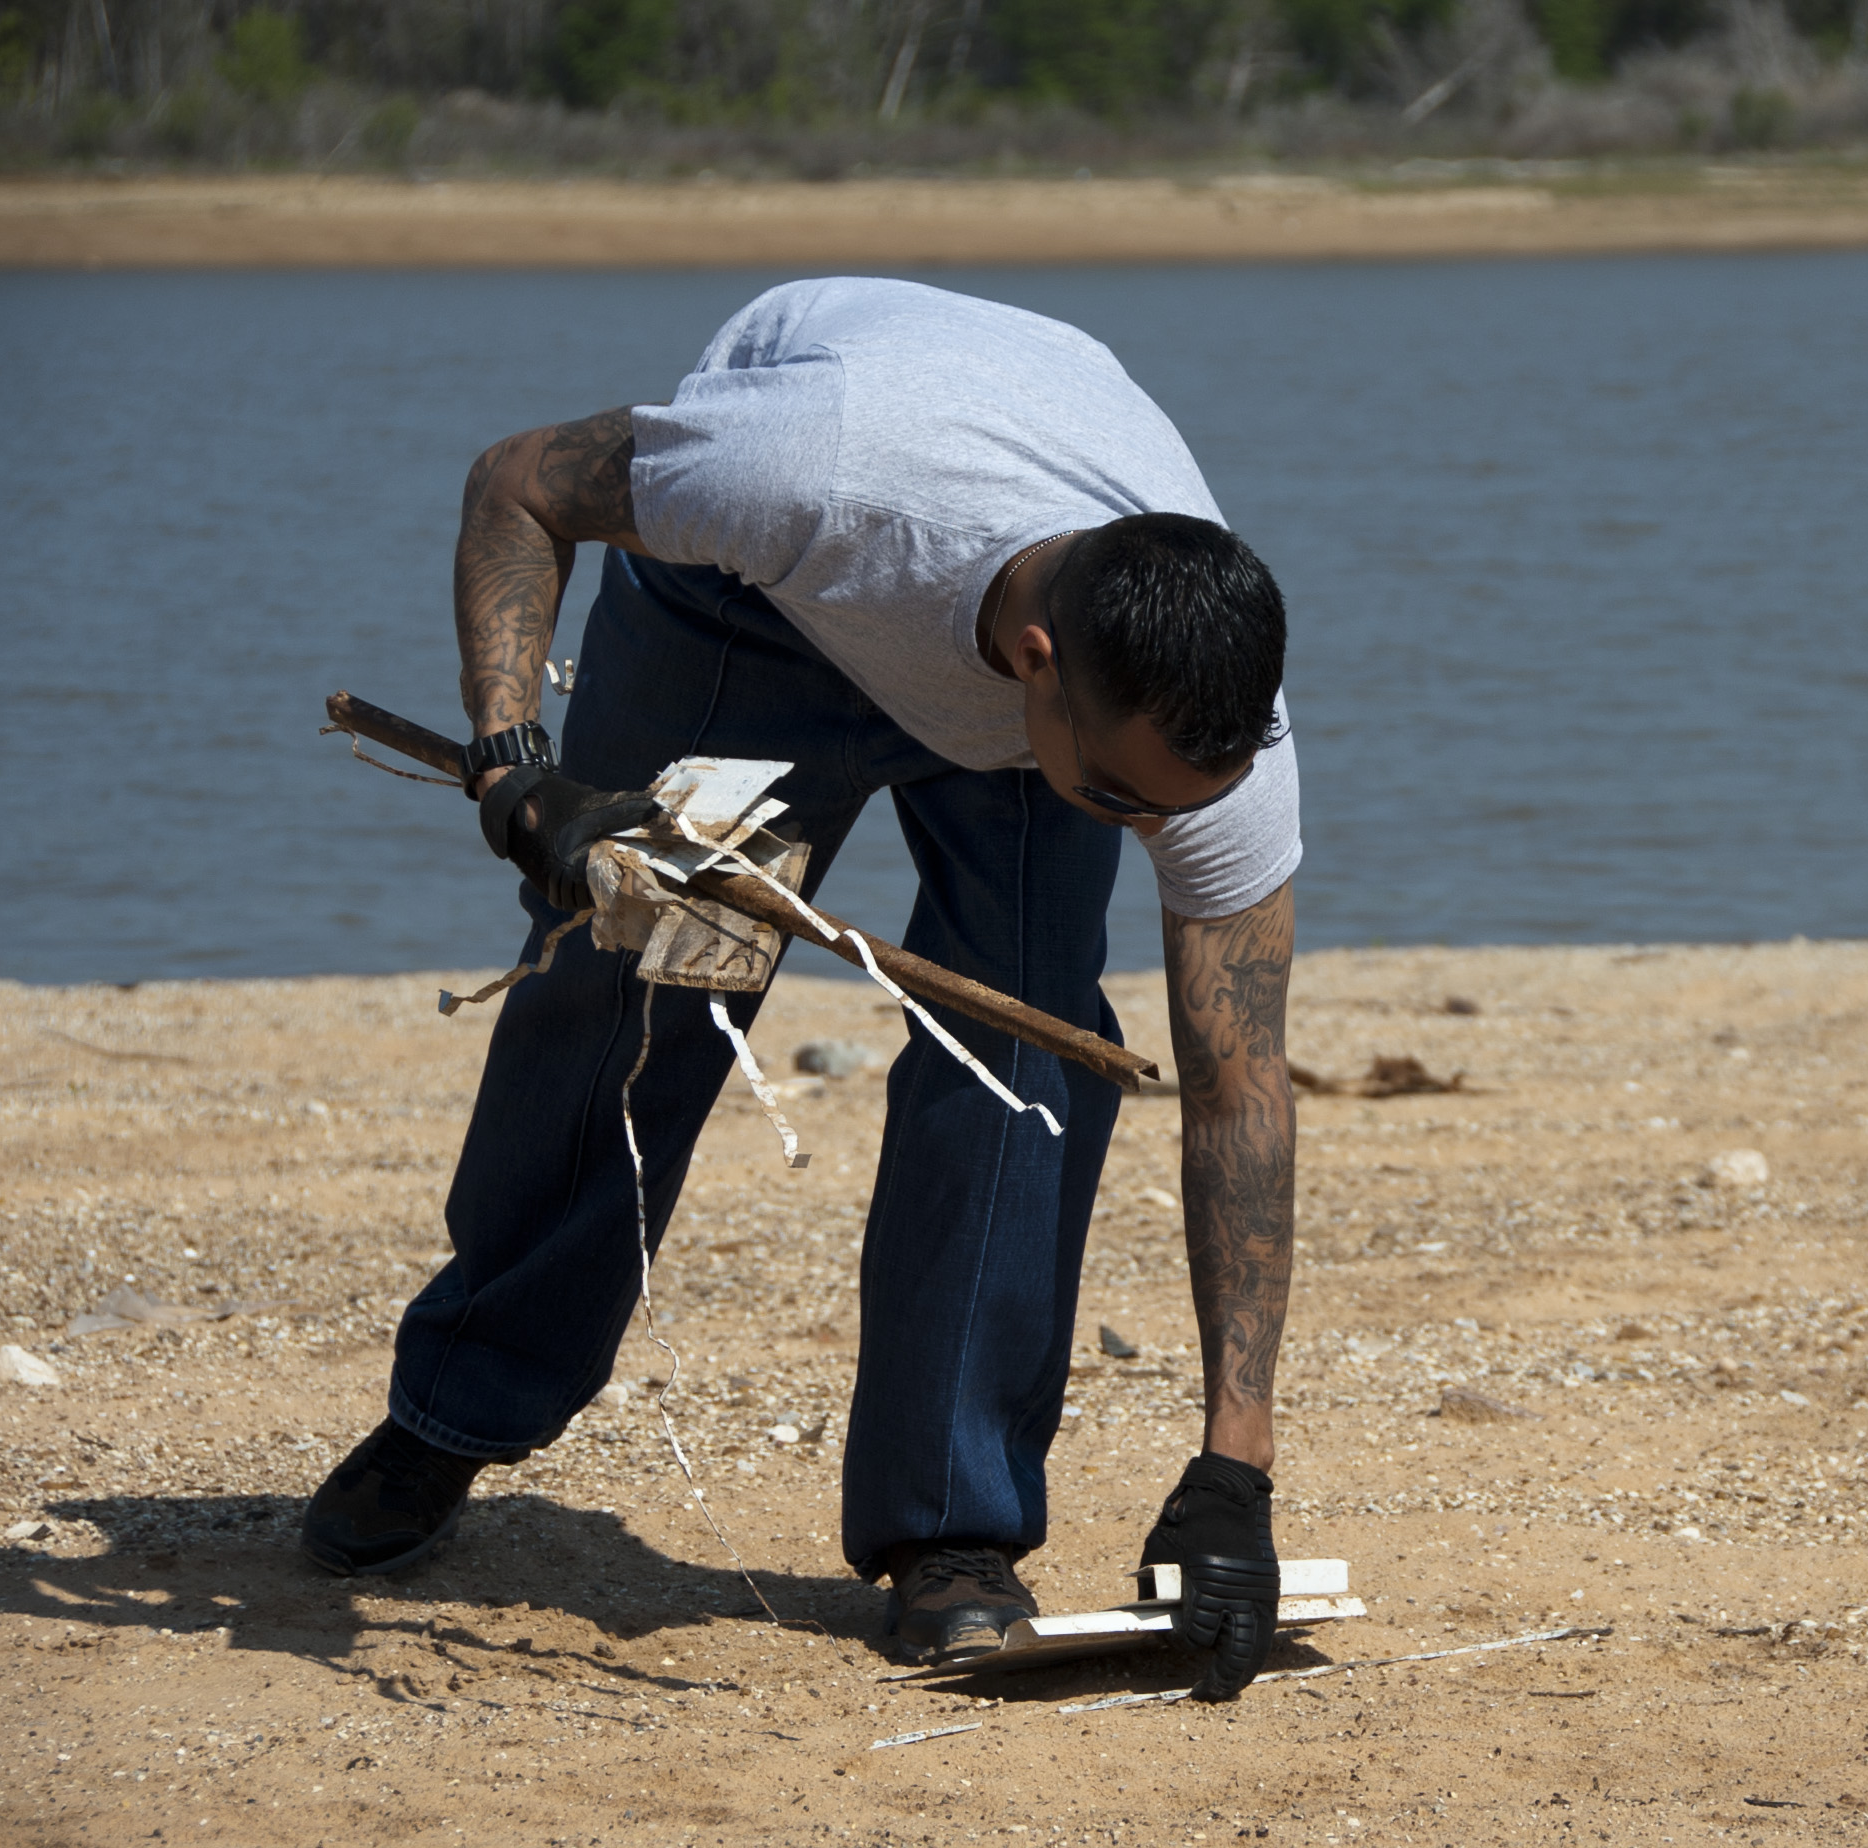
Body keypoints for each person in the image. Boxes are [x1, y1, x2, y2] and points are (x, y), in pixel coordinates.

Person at [298, 278, 1301, 1700]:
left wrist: (1235, 1464)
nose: (1156, 835)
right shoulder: (801, 470)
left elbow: (1239, 1086)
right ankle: (456, 1410)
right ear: (1039, 663)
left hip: (1013, 695)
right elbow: (515, 484)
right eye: (1128, 801)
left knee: (1025, 1055)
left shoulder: (1199, 744)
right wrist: (518, 761)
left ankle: (953, 1536)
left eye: (1174, 808)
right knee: (636, 981)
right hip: (757, 614)